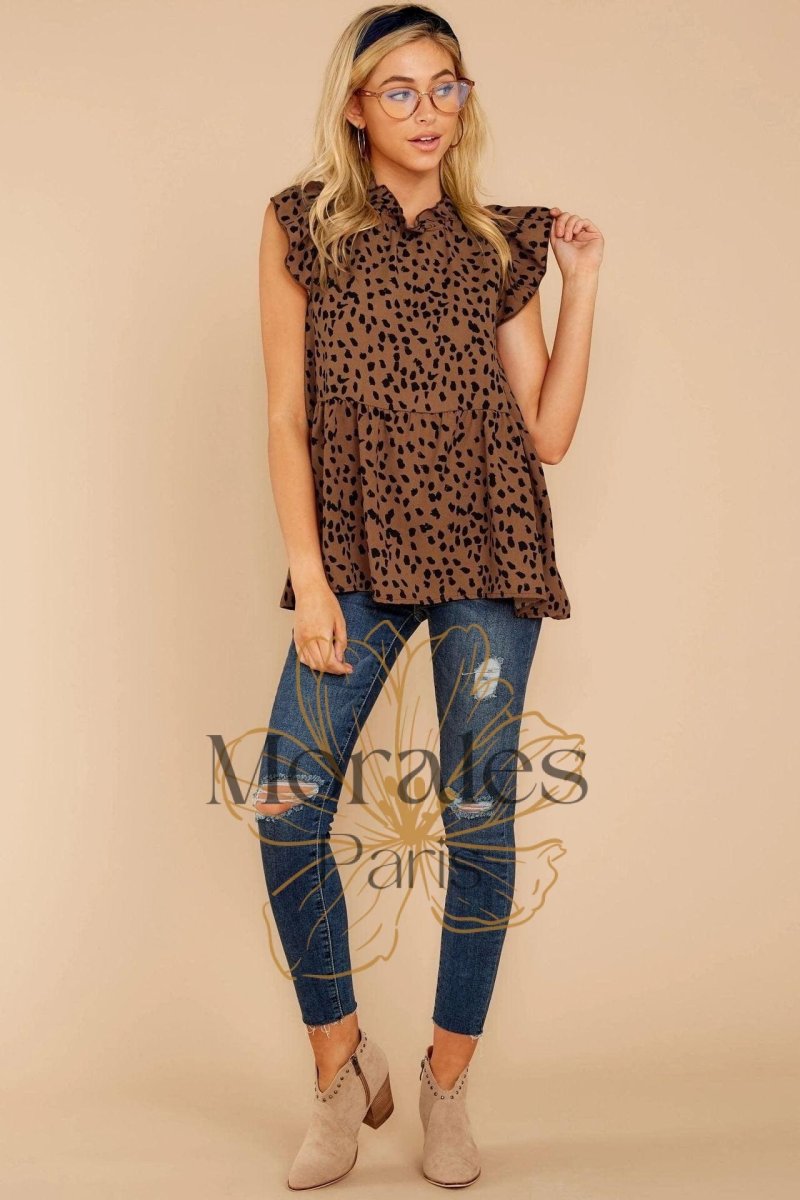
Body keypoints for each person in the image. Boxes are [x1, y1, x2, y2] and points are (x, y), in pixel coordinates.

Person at [254, 3, 602, 1189]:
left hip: (488, 554)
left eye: (443, 85)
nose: (424, 109)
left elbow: (546, 432)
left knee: (478, 818)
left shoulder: (498, 243)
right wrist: (309, 576)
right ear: (355, 106)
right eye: (396, 89)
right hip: (352, 560)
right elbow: (285, 417)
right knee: (286, 804)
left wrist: (580, 286)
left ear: (464, 100)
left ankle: (446, 1089)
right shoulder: (301, 226)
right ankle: (339, 1068)